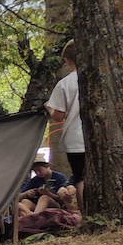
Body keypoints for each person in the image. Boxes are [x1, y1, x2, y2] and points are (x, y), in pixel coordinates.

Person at [45, 40, 85, 213]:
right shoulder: (98, 77)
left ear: (67, 61)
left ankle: (86, 215)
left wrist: (49, 108)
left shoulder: (66, 83)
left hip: (76, 139)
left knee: (80, 177)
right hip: (99, 138)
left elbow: (59, 115)